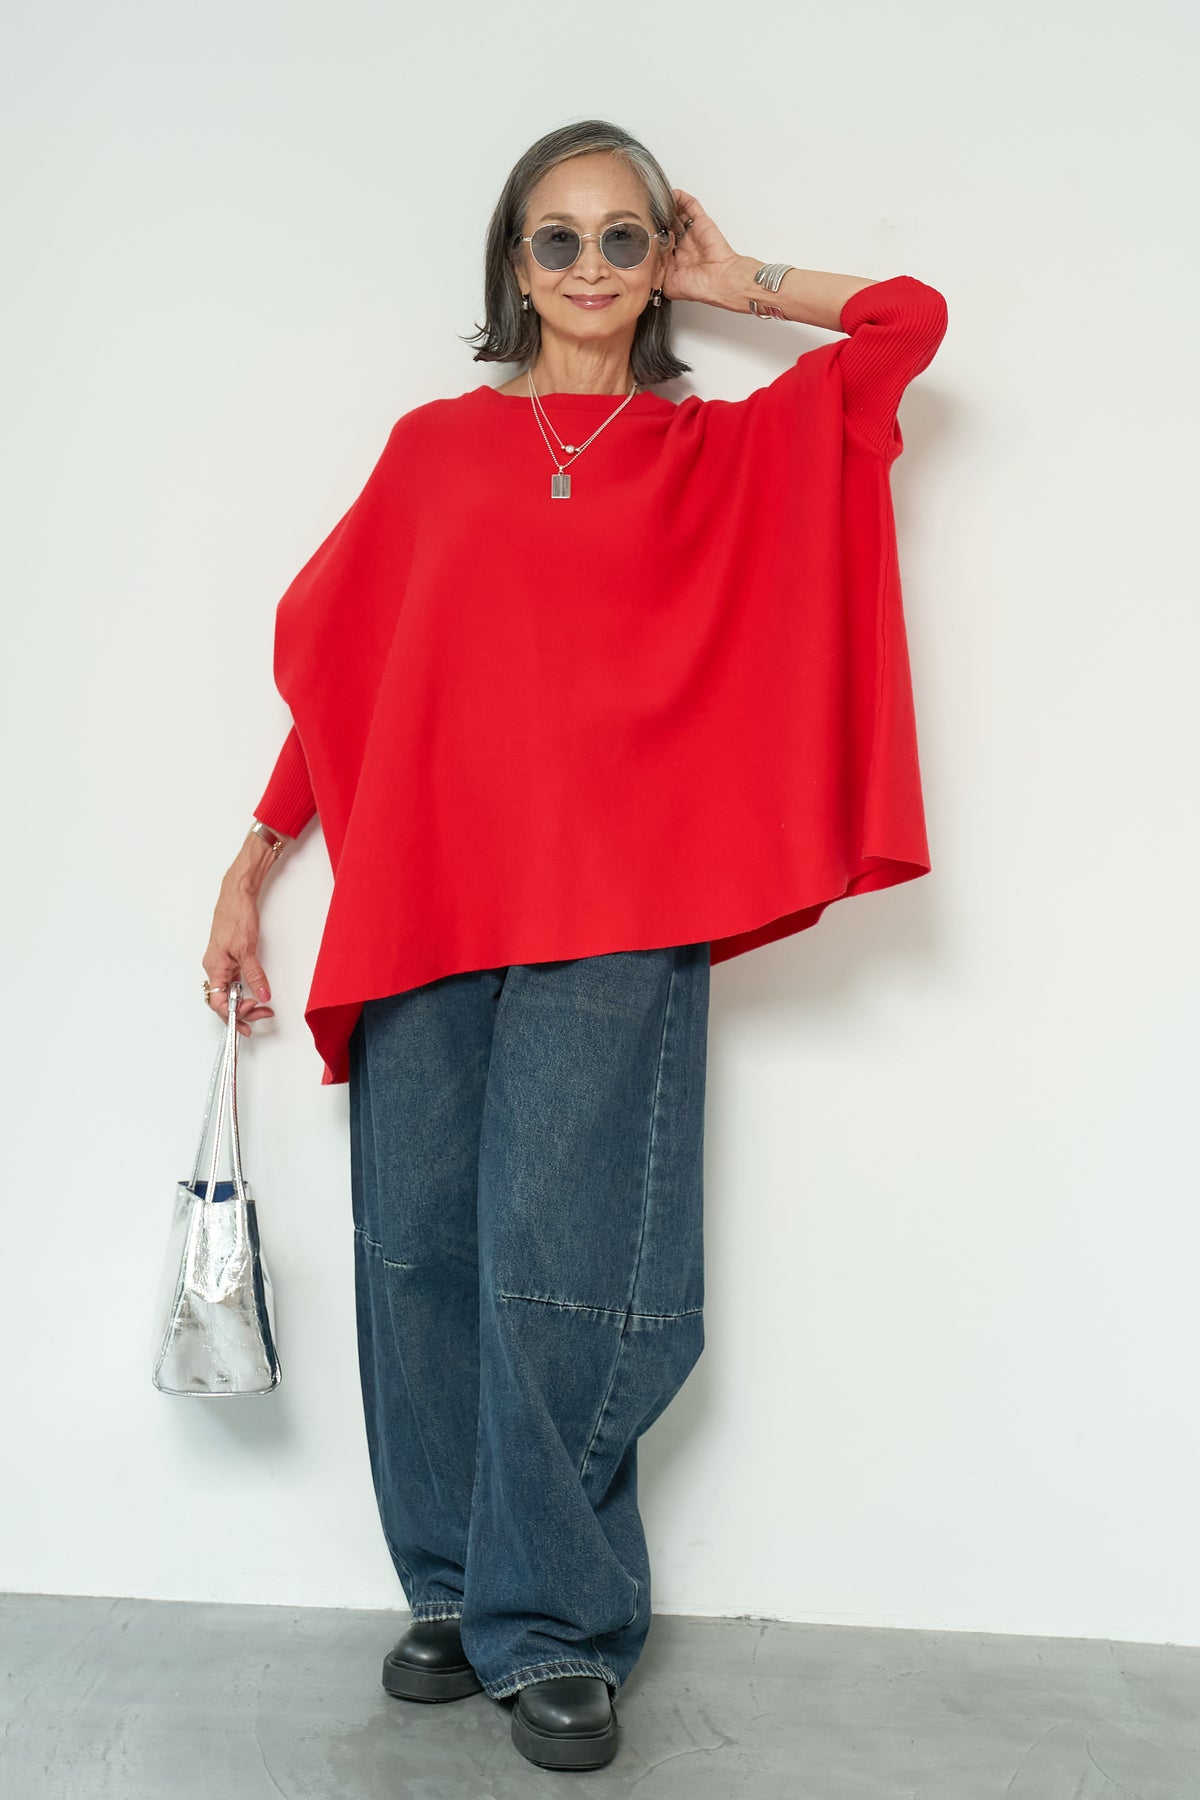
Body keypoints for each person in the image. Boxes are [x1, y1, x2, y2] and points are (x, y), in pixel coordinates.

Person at [201, 119, 948, 1774]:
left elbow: (907, 323)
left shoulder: (709, 453)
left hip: (616, 912)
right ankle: (457, 1587)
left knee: (567, 1263)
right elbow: (355, 681)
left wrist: (737, 279)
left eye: (627, 237)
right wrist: (254, 861)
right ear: (514, 265)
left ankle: (555, 1621)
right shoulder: (435, 453)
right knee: (416, 1254)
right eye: (562, 238)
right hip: (427, 900)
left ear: (655, 257)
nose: (595, 267)